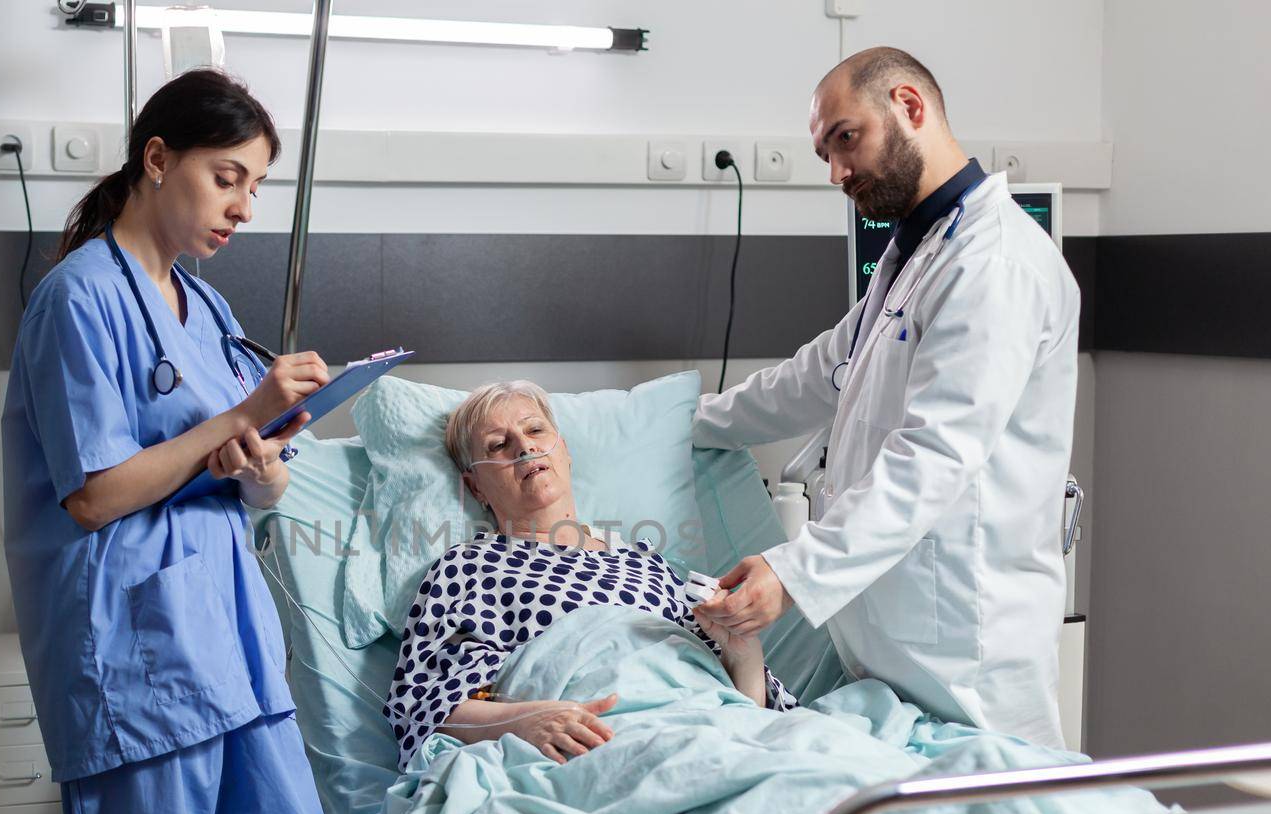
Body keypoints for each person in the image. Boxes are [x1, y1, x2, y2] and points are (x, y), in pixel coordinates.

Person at [1, 70, 338, 814]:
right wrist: (238, 416)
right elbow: (94, 491)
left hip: (230, 646)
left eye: (255, 187)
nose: (241, 205)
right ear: (158, 159)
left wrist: (262, 462)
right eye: (225, 176)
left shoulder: (201, 301)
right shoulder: (78, 301)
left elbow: (235, 478)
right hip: (137, 661)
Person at [695, 47, 1079, 748]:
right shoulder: (916, 253)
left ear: (909, 106)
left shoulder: (993, 262)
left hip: (963, 650)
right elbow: (815, 376)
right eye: (825, 154)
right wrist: (679, 423)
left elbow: (933, 455)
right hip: (889, 648)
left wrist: (790, 572)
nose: (838, 172)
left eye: (846, 138)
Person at [382, 381, 798, 769]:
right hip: (602, 747)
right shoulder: (469, 569)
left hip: (718, 735)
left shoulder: (648, 563)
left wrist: (743, 652)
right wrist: (524, 721)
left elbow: (750, 714)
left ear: (564, 452)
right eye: (498, 444)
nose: (525, 448)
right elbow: (426, 706)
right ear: (475, 488)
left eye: (535, 431)